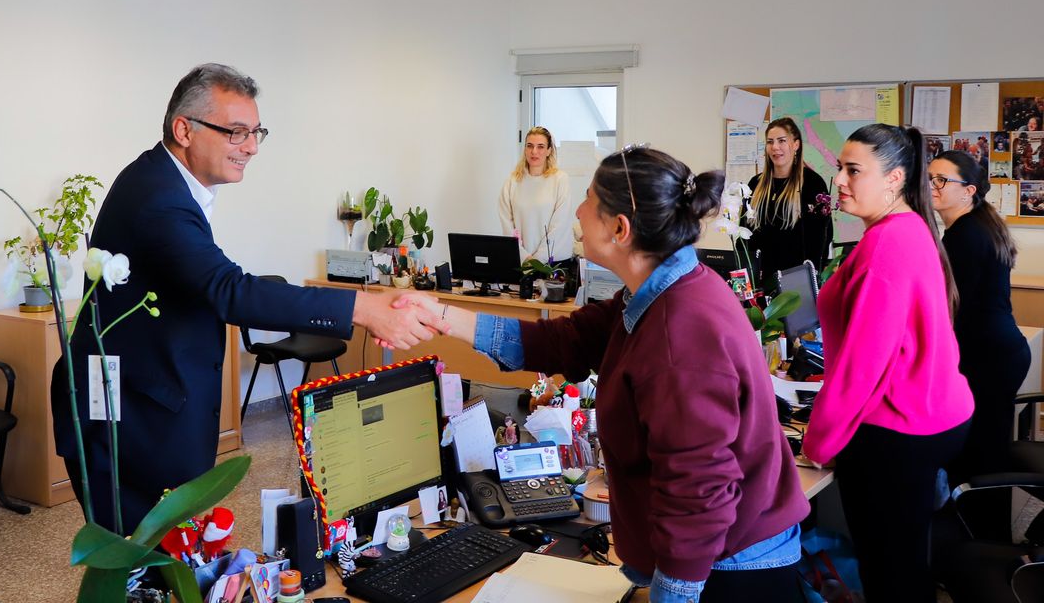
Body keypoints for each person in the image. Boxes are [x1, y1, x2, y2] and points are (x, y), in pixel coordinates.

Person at [51, 63, 444, 536]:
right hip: (132, 421)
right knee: (143, 558)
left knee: (174, 552)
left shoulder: (164, 181)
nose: (252, 147)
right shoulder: (158, 198)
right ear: (184, 130)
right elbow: (229, 290)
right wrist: (362, 308)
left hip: (151, 404)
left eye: (257, 133)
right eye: (237, 132)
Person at [404, 147, 809, 602]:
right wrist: (440, 315)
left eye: (589, 200)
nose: (578, 211)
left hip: (726, 567)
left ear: (620, 229)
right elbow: (563, 341)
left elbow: (698, 492)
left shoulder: (679, 329)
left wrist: (672, 593)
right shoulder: (657, 291)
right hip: (710, 555)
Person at [802, 124, 973, 603]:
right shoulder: (908, 228)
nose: (839, 180)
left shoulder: (886, 243)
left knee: (890, 571)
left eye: (853, 170)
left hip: (899, 428)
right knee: (903, 562)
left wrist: (818, 440)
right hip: (930, 414)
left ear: (895, 178)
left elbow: (863, 365)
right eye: (839, 167)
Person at [929, 151, 1029, 506]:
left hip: (988, 357)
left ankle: (980, 530)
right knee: (987, 449)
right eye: (929, 178)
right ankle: (987, 526)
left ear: (969, 190)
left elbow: (950, 308)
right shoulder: (972, 226)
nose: (931, 186)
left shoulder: (964, 236)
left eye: (942, 180)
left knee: (979, 455)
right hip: (1001, 350)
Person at [746, 117, 830, 287]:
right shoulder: (755, 184)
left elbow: (822, 237)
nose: (775, 147)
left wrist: (812, 277)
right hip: (761, 281)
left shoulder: (813, 183)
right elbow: (745, 234)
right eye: (770, 142)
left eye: (782, 141)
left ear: (796, 145)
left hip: (798, 280)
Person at [498, 126, 571, 262]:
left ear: (549, 150)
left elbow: (559, 225)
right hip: (521, 260)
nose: (534, 151)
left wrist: (537, 260)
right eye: (530, 146)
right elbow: (507, 225)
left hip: (552, 262)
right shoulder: (512, 181)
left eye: (540, 147)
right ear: (525, 149)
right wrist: (524, 257)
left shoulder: (560, 180)